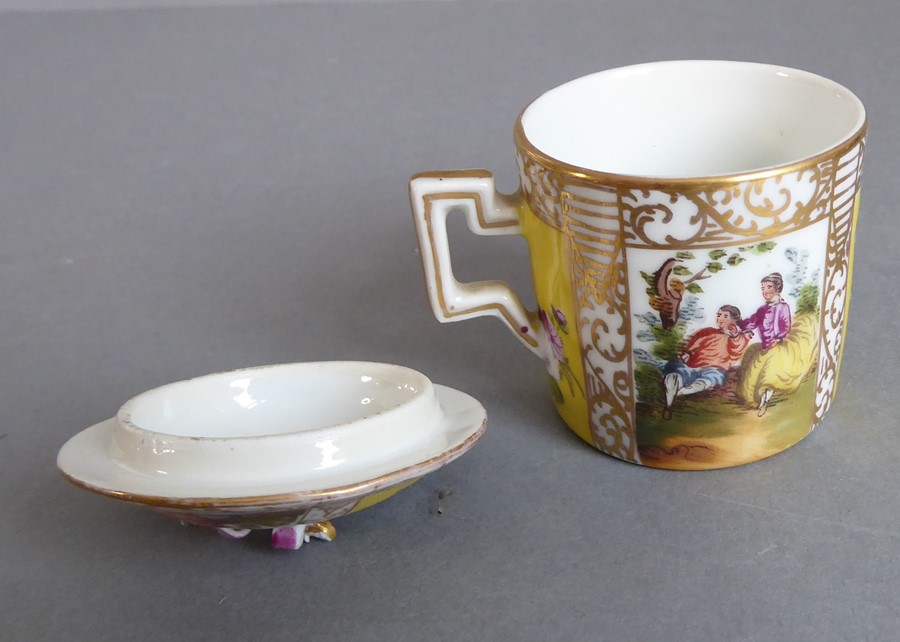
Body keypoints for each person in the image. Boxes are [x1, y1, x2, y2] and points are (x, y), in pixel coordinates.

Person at [662, 305, 750, 419]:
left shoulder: (738, 338)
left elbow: (737, 351)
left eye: (725, 316)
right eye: (719, 315)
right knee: (677, 369)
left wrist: (735, 335)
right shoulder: (708, 331)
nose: (720, 319)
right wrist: (687, 353)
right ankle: (672, 391)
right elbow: (692, 341)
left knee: (710, 378)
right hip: (692, 365)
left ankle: (682, 391)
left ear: (735, 320)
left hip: (714, 368)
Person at [739, 273, 793, 415]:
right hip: (765, 347)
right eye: (762, 288)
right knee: (754, 374)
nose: (765, 291)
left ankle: (765, 402)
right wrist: (739, 323)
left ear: (777, 288)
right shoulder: (762, 309)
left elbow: (786, 326)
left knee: (770, 374)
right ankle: (757, 399)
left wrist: (778, 338)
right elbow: (752, 321)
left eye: (769, 287)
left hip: (778, 347)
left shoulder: (783, 307)